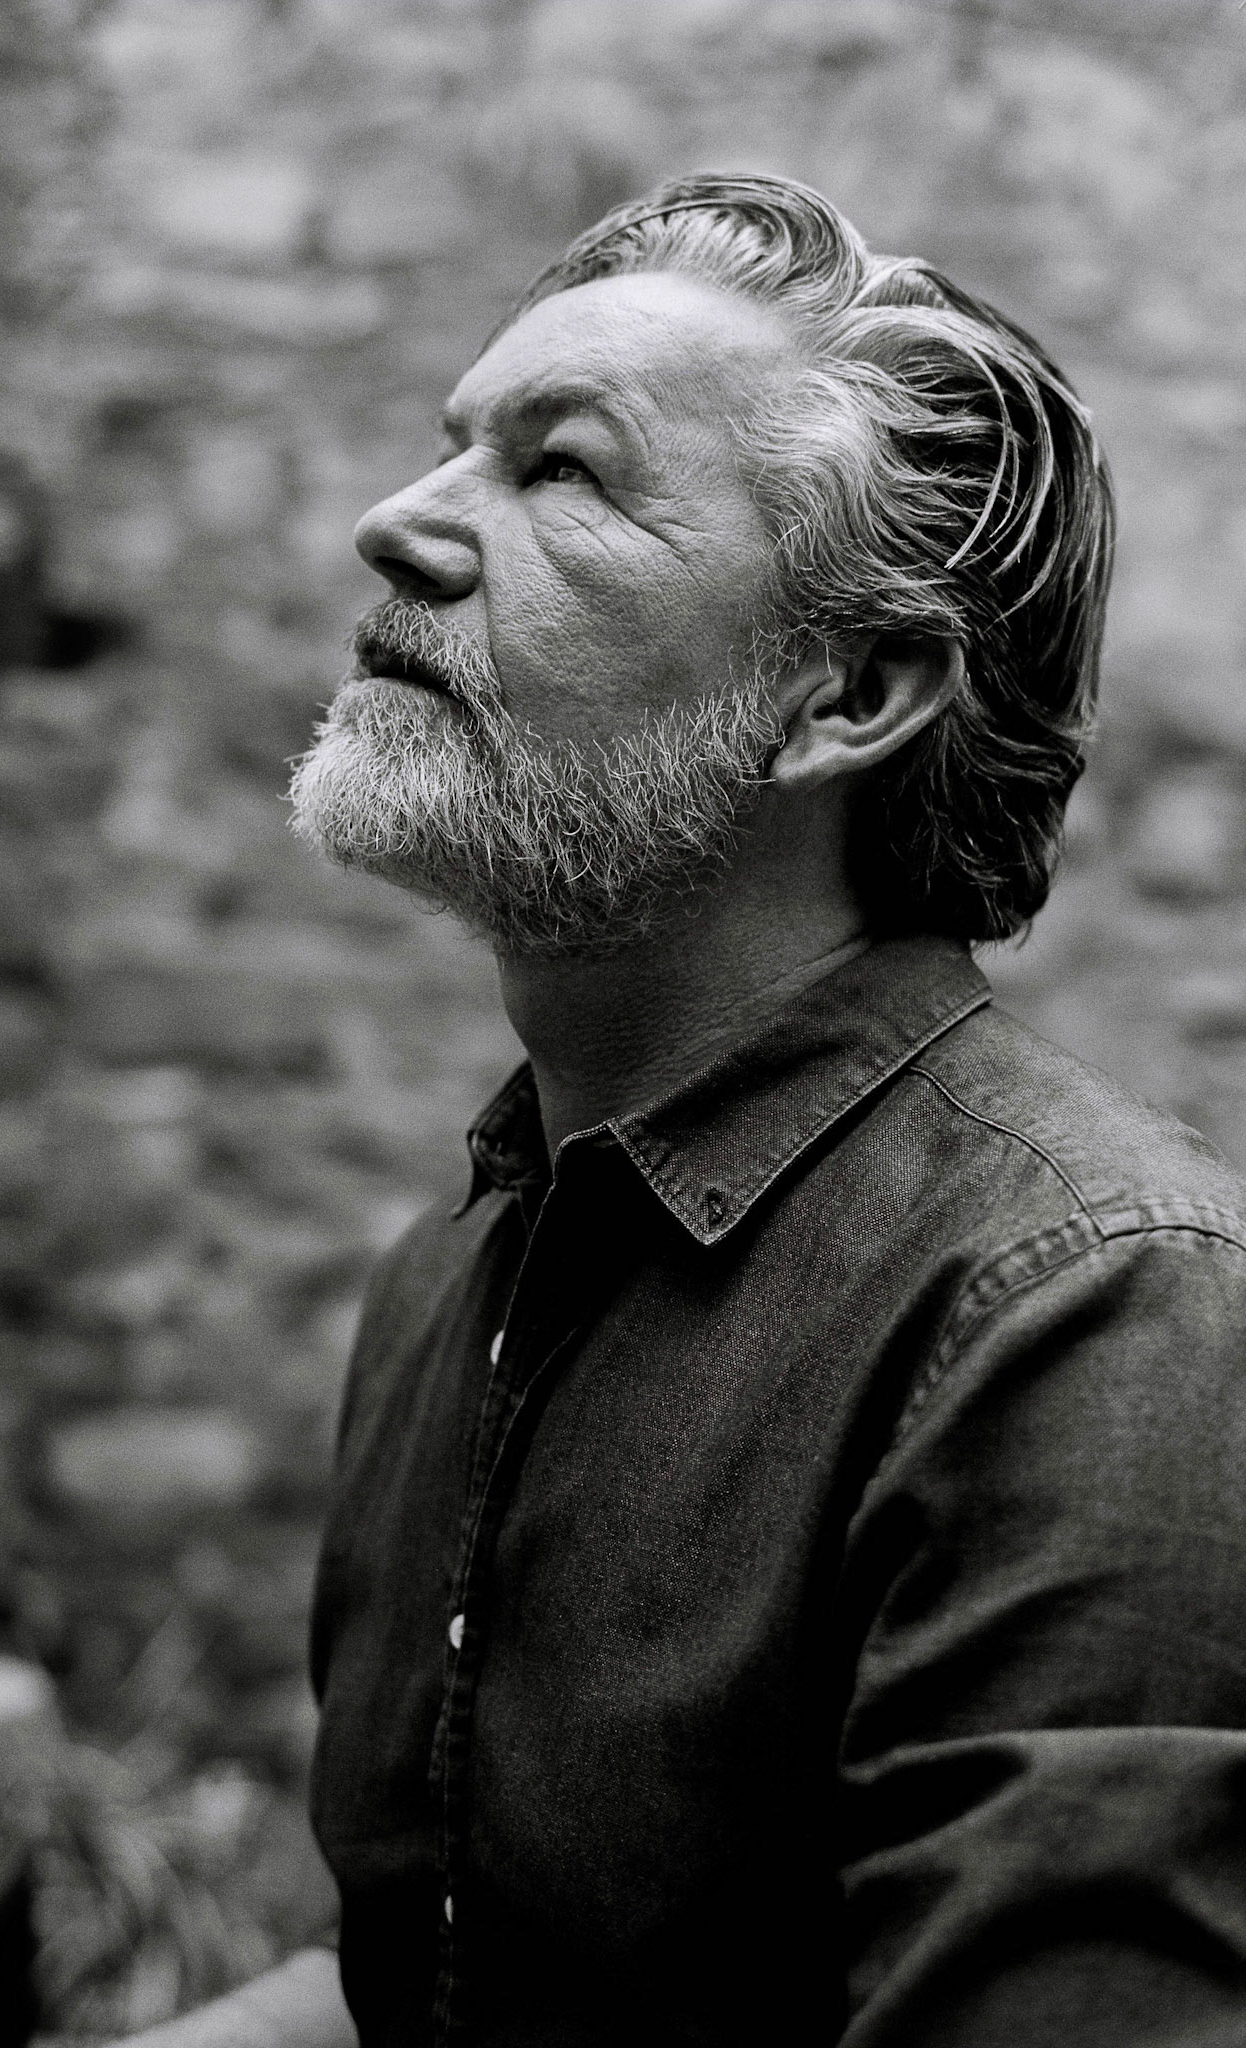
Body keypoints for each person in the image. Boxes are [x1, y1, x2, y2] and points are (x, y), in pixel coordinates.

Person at [130, 174, 1246, 2046]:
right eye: (454, 444)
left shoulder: (1098, 1317)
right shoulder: (453, 1276)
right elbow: (424, 1986)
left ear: (846, 691)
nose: (395, 522)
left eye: (560, 471)